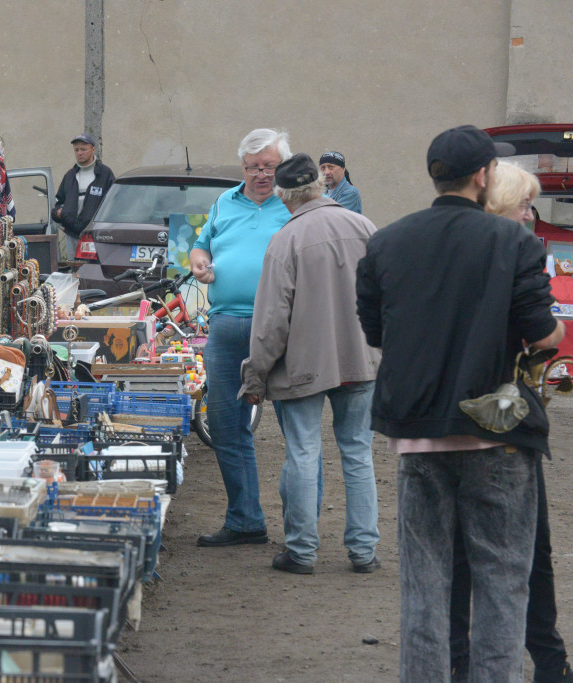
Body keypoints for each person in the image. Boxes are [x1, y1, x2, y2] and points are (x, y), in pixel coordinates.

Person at [355, 124, 565, 681]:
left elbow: (376, 330)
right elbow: (542, 332)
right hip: (496, 435)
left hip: (417, 436)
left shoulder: (387, 242)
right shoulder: (513, 242)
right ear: (483, 175)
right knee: (503, 580)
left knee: (424, 584)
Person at [449, 161, 573, 683]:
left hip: (455, 413)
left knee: (465, 550)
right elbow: (543, 334)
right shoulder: (513, 255)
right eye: (524, 205)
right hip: (502, 414)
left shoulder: (452, 254)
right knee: (525, 546)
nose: (529, 215)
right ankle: (545, 658)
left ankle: (469, 659)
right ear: (499, 204)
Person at [239, 153, 381, 575]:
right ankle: (364, 552)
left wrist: (255, 376)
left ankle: (301, 552)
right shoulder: (365, 227)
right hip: (362, 361)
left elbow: (270, 322)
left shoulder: (286, 239)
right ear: (320, 184)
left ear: (284, 196)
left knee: (302, 452)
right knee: (358, 452)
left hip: (304, 365)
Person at [189, 128, 292, 547]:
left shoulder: (293, 204)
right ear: (243, 167)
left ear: (281, 166)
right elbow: (201, 246)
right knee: (226, 425)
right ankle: (245, 521)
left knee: (297, 430)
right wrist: (199, 263)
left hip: (281, 327)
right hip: (226, 326)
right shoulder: (224, 202)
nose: (261, 174)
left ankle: (302, 532)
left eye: (269, 166)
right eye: (253, 167)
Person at [53, 134, 114, 261]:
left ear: (93, 149)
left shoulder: (105, 174)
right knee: (74, 269)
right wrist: (59, 213)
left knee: (92, 269)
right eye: (76, 150)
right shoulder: (70, 176)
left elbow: (113, 202)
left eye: (83, 149)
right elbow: (58, 202)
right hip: (72, 234)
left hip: (95, 235)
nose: (80, 153)